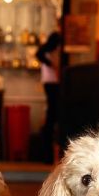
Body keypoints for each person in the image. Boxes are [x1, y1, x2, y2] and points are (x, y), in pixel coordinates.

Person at [36, 32, 62, 163]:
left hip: (49, 84)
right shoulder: (49, 55)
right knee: (52, 116)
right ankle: (49, 153)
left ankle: (48, 153)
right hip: (52, 85)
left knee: (51, 116)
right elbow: (55, 68)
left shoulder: (44, 54)